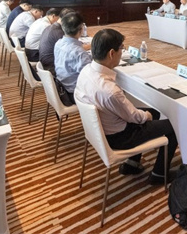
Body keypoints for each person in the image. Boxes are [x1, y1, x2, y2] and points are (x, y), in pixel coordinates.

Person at [74, 29, 178, 184]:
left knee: (153, 112)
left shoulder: (86, 70)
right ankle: (159, 175)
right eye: (121, 48)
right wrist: (147, 116)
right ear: (111, 53)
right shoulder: (110, 90)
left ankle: (132, 164)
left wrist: (148, 114)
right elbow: (136, 118)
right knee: (173, 126)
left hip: (99, 131)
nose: (122, 52)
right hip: (119, 137)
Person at [54, 12, 92, 105]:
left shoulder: (59, 43)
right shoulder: (79, 53)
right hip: (74, 94)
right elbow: (91, 78)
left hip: (62, 88)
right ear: (81, 30)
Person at [39, 8, 76, 74]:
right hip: (52, 67)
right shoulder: (58, 31)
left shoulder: (52, 27)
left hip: (46, 63)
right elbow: (71, 50)